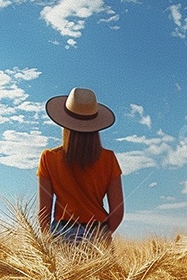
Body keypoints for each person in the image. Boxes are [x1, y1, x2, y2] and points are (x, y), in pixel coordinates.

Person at [37, 87, 124, 243]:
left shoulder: (48, 158)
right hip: (97, 232)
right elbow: (117, 212)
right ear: (95, 125)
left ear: (65, 122)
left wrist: (48, 245)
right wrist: (102, 236)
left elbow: (44, 213)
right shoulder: (108, 159)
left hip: (61, 234)